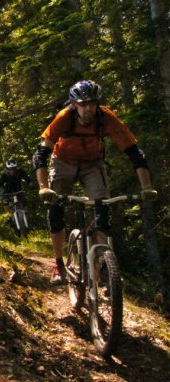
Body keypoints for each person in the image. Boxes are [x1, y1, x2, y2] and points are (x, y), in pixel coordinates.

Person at [32, 80, 157, 284]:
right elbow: (41, 154)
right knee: (55, 209)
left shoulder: (105, 117)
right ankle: (58, 264)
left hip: (93, 164)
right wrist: (44, 187)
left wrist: (146, 187)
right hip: (63, 162)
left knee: (102, 209)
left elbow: (135, 153)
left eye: (92, 103)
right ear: (74, 104)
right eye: (83, 104)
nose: (88, 108)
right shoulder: (64, 118)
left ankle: (105, 265)